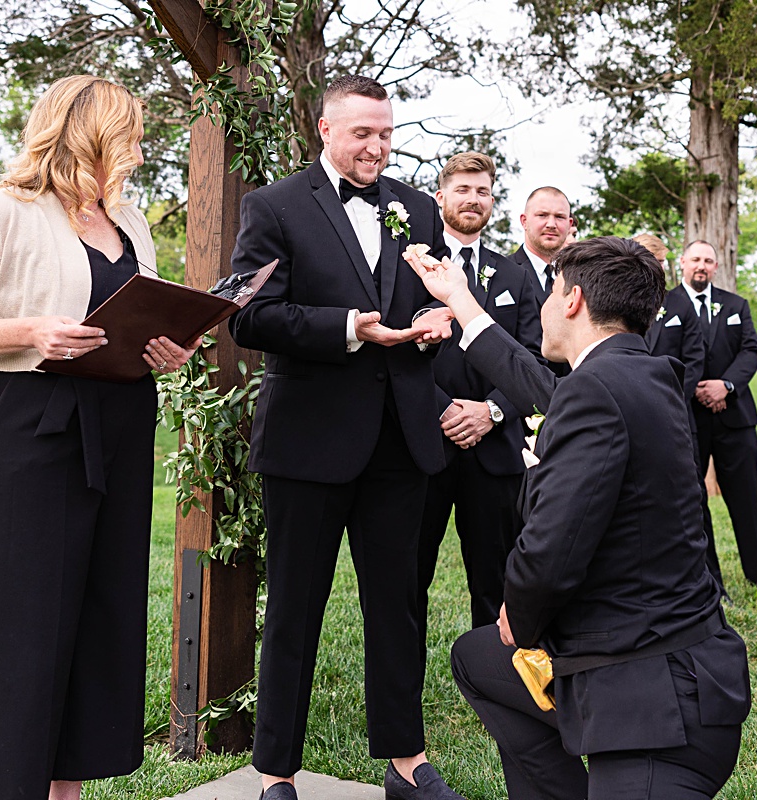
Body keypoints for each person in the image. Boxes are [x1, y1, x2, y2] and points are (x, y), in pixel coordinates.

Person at [0, 75, 201, 800]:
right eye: (128, 129)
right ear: (89, 132)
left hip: (122, 427)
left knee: (102, 628)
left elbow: (137, 317)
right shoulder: (3, 212)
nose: (138, 144)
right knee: (28, 637)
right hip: (31, 433)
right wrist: (30, 331)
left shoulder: (131, 223)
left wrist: (169, 350)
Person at [404, 237, 751, 799]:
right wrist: (462, 302)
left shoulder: (596, 392)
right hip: (681, 670)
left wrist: (519, 612)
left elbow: (549, 557)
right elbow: (546, 390)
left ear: (572, 300)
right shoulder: (646, 374)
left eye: (549, 292)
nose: (540, 306)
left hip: (655, 714)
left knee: (503, 644)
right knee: (479, 659)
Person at [228, 75, 464, 800]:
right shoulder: (273, 206)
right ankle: (276, 773)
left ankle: (405, 763)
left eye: (387, 133)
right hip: (308, 441)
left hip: (402, 440)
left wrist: (436, 326)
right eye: (363, 132)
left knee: (397, 605)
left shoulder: (418, 208)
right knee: (296, 607)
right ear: (325, 131)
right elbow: (248, 314)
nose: (377, 146)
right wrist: (346, 329)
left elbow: (432, 301)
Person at [418, 152, 543, 641]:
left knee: (495, 578)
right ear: (440, 197)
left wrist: (492, 410)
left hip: (495, 450)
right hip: (425, 443)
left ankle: (495, 675)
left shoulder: (513, 275)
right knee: (410, 575)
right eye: (464, 189)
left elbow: (533, 355)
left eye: (483, 191)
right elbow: (393, 352)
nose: (473, 199)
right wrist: (443, 408)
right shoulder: (412, 265)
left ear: (493, 202)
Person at [673, 240, 757, 591]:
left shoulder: (736, 305)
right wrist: (697, 390)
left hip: (736, 416)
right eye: (696, 259)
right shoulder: (664, 305)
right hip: (689, 419)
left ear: (716, 267)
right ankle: (711, 581)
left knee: (747, 498)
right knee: (695, 503)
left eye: (708, 261)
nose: (701, 265)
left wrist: (725, 385)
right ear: (682, 262)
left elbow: (750, 350)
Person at [635, 233, 725, 596]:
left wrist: (665, 402)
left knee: (692, 503)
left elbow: (694, 360)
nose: (654, 267)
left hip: (675, 418)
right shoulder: (615, 304)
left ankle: (712, 582)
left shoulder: (679, 305)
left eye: (659, 261)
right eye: (647, 259)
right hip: (631, 418)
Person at [511, 187, 575, 378]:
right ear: (524, 221)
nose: (551, 224)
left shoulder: (580, 277)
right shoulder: (505, 274)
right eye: (542, 215)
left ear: (569, 223)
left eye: (560, 217)